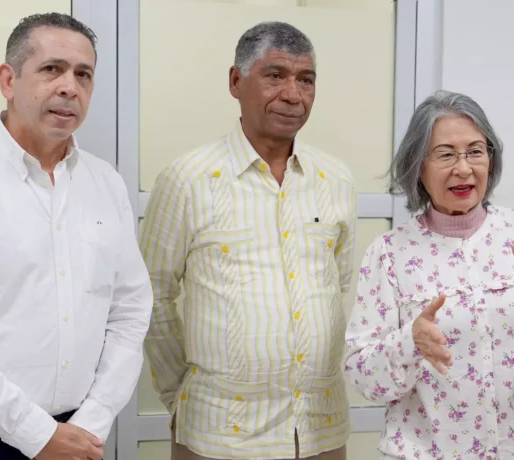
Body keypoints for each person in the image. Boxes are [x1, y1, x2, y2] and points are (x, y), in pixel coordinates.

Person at [0, 13, 153, 460]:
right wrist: (37, 435)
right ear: (8, 80)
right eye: (52, 69)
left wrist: (91, 421)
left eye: (84, 74)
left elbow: (129, 312)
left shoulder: (106, 184)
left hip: (77, 434)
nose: (70, 87)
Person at [342, 90, 514, 459]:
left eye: (475, 152)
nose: (463, 169)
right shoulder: (389, 253)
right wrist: (409, 342)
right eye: (446, 154)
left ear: (490, 161)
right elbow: (362, 376)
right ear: (417, 166)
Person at [140, 21, 357, 460]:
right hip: (219, 435)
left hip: (319, 431)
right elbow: (150, 295)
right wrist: (181, 394)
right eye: (275, 75)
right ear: (236, 82)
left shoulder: (336, 179)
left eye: (306, 80)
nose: (293, 95)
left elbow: (340, 284)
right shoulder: (188, 179)